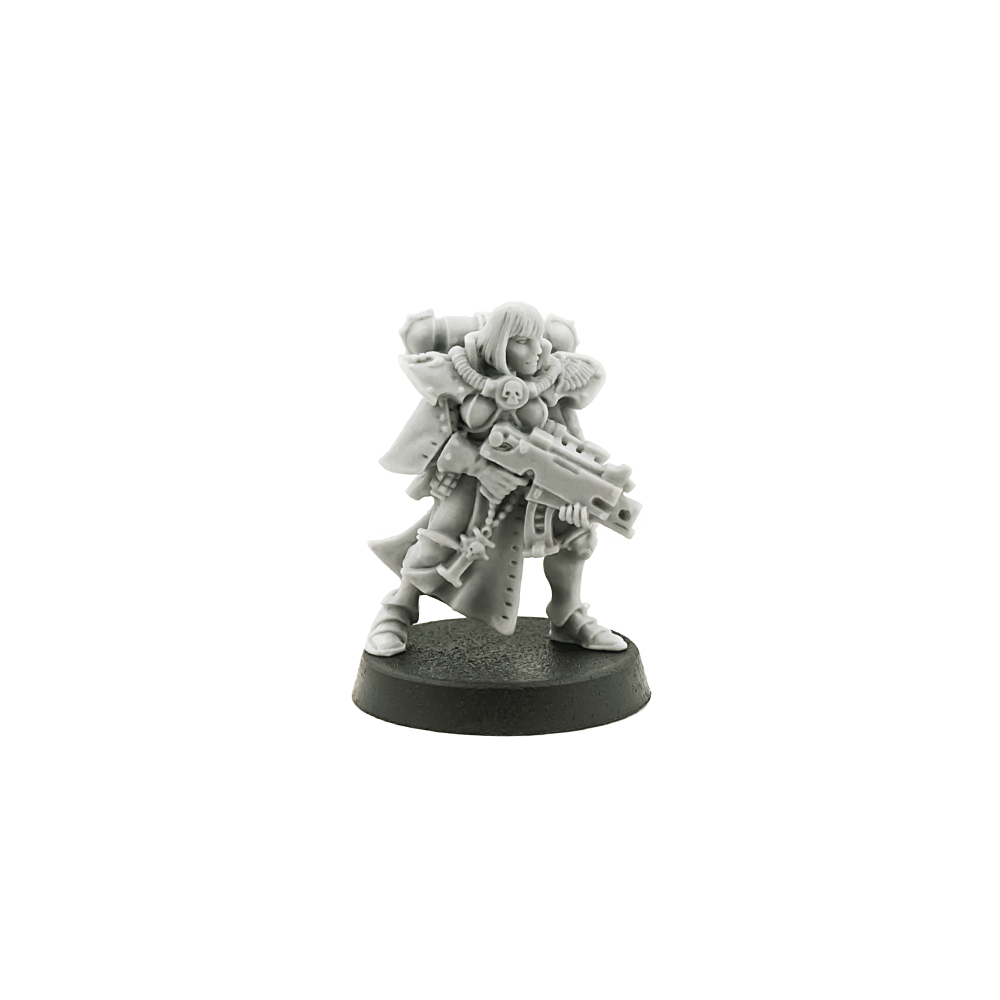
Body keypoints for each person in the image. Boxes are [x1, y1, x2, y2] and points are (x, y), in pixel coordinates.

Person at [365, 302, 627, 656]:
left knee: (577, 536)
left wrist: (579, 494)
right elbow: (444, 446)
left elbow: (565, 440)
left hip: (534, 486)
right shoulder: (460, 379)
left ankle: (567, 616)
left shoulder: (546, 382)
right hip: (474, 483)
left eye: (538, 340)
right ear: (500, 344)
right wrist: (481, 469)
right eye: (522, 341)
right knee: (436, 542)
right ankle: (397, 610)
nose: (538, 350)